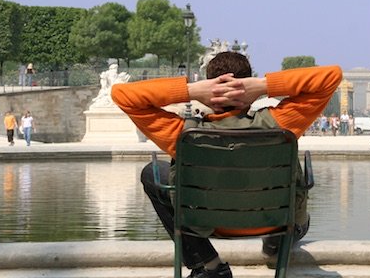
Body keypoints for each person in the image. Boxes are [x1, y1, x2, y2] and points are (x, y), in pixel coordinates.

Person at [111, 51, 341, 278]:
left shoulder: (183, 135)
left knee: (152, 173)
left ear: (208, 86)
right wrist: (262, 86)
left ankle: (210, 264)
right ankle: (273, 246)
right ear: (248, 84)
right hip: (274, 221)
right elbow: (331, 76)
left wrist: (192, 90)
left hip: (206, 224)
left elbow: (122, 94)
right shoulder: (280, 123)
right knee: (295, 210)